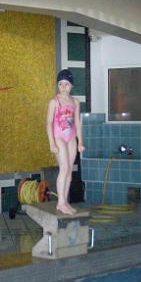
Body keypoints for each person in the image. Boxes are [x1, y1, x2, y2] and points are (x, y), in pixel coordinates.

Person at [45, 69, 84, 215]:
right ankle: (60, 202)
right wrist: (51, 143)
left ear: (71, 86)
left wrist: (80, 142)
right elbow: (49, 123)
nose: (63, 87)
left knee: (69, 170)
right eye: (60, 84)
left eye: (66, 84)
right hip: (59, 137)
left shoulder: (75, 102)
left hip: (71, 137)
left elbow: (77, 123)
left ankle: (64, 201)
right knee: (64, 167)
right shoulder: (54, 102)